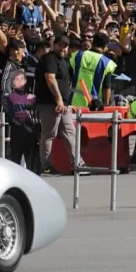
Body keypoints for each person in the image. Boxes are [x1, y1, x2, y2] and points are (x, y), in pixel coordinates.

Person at [34, 35, 84, 173]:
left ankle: (77, 163)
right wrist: (59, 99)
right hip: (50, 103)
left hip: (63, 104)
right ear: (54, 44)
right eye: (60, 45)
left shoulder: (65, 62)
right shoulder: (49, 59)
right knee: (49, 133)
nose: (63, 48)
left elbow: (66, 84)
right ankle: (46, 166)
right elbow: (50, 79)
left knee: (70, 132)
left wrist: (67, 102)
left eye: (66, 46)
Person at [69, 32, 117, 109]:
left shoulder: (78, 55)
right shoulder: (107, 63)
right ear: (105, 46)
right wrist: (105, 106)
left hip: (73, 102)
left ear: (92, 42)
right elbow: (107, 87)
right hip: (93, 106)